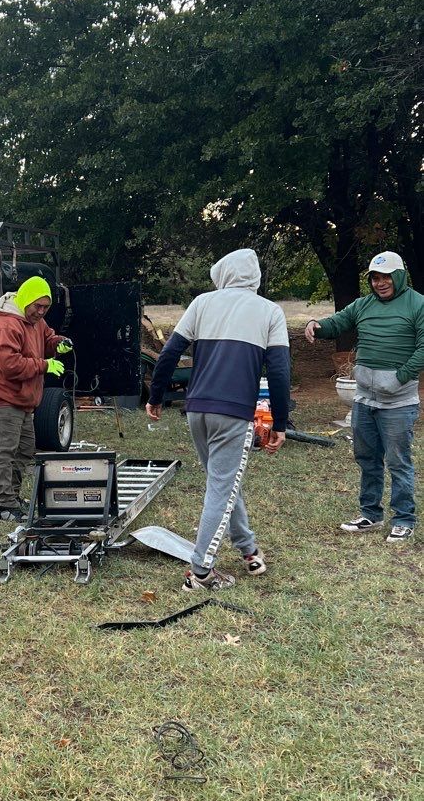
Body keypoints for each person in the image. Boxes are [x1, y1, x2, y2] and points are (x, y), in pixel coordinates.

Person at [146, 248, 290, 590]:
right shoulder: (270, 311)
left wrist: (155, 396)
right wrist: (280, 423)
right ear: (255, 277)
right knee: (221, 488)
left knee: (223, 482)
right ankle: (200, 573)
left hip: (197, 409)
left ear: (222, 274)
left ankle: (248, 550)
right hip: (233, 413)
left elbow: (169, 353)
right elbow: (280, 371)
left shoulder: (202, 303)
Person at [305, 251, 424, 541]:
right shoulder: (363, 305)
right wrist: (316, 325)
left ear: (399, 276)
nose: (380, 283)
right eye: (375, 278)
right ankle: (371, 514)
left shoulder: (418, 304)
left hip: (398, 402)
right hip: (365, 399)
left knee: (398, 462)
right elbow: (338, 322)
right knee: (367, 458)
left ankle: (404, 519)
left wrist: (400, 377)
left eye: (386, 277)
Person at [0, 275, 71, 521]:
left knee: (26, 448)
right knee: (6, 452)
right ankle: (4, 506)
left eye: (46, 307)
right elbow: (9, 365)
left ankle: (14, 496)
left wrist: (57, 344)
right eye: (37, 306)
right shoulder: (5, 324)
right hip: (3, 398)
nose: (41, 311)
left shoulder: (34, 321)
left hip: (24, 399)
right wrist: (44, 365)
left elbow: (46, 338)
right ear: (26, 299)